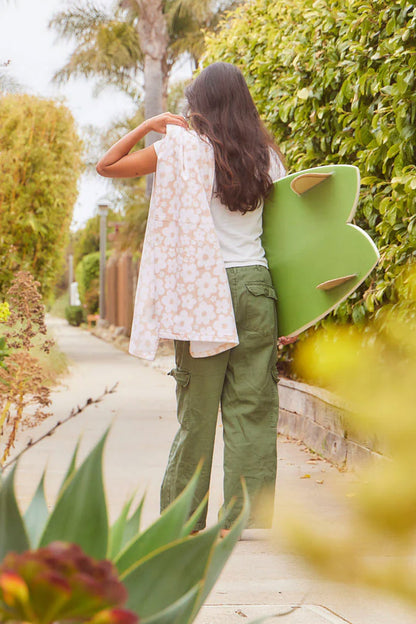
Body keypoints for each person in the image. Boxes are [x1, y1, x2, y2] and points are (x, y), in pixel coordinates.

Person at [96, 61, 291, 533]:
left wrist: (149, 125)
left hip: (204, 290)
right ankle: (242, 519)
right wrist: (290, 315)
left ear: (198, 104)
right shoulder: (267, 154)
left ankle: (182, 521)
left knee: (198, 412)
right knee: (253, 408)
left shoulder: (182, 149)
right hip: (257, 287)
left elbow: (107, 166)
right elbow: (284, 238)